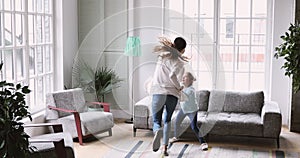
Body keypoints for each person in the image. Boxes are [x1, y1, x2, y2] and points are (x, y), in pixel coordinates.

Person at [151, 37, 188, 156]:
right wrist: (179, 87)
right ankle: (165, 148)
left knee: (157, 120)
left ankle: (157, 131)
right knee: (167, 121)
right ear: (183, 50)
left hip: (158, 92)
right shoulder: (180, 63)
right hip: (172, 95)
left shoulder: (162, 56)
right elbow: (173, 76)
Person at [169, 72, 208, 151]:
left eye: (185, 77)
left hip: (192, 111)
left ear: (190, 81)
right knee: (177, 122)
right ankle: (176, 136)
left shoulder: (191, 90)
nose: (183, 78)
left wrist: (178, 91)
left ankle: (203, 142)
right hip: (183, 109)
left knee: (194, 127)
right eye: (182, 77)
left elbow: (184, 97)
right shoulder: (183, 87)